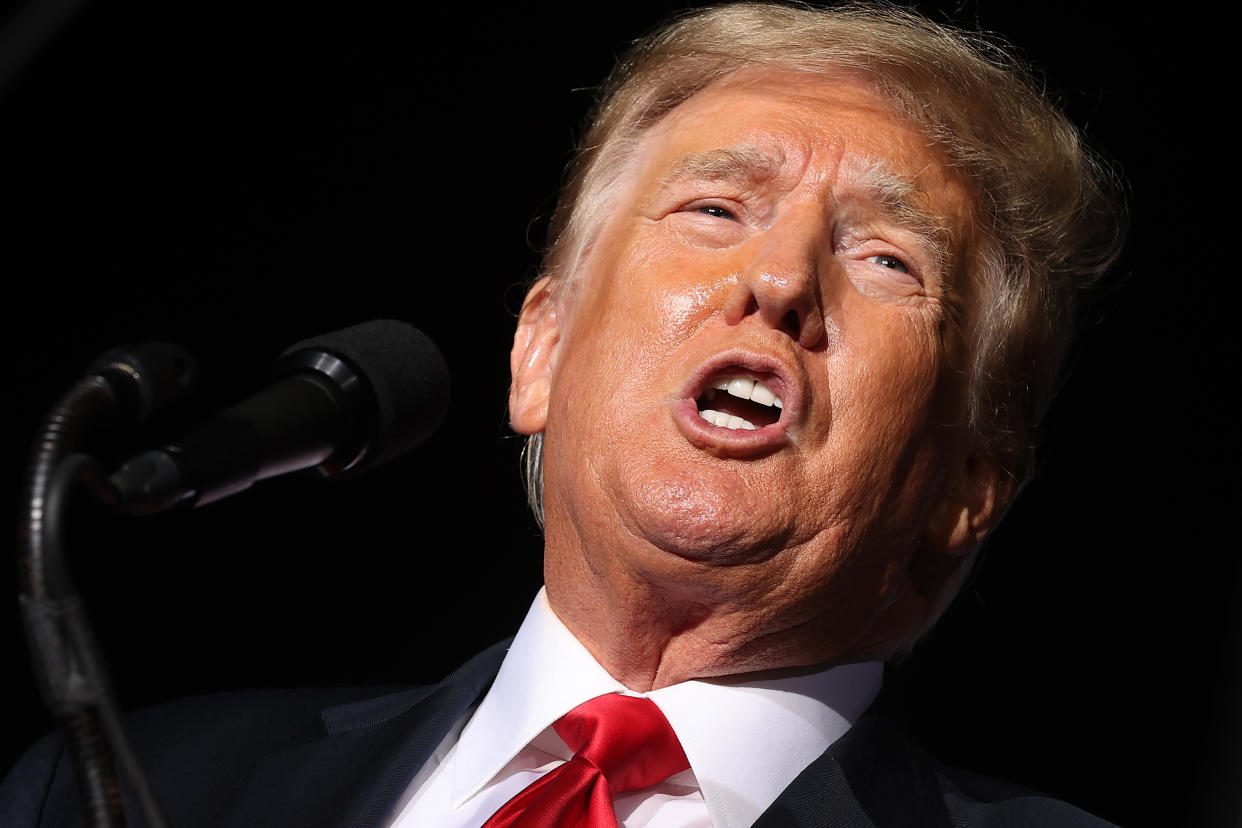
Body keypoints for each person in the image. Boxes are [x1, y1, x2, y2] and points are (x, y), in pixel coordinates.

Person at [1, 2, 1123, 826]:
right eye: (716, 206)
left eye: (885, 259)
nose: (779, 279)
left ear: (967, 491)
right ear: (539, 352)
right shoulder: (131, 787)